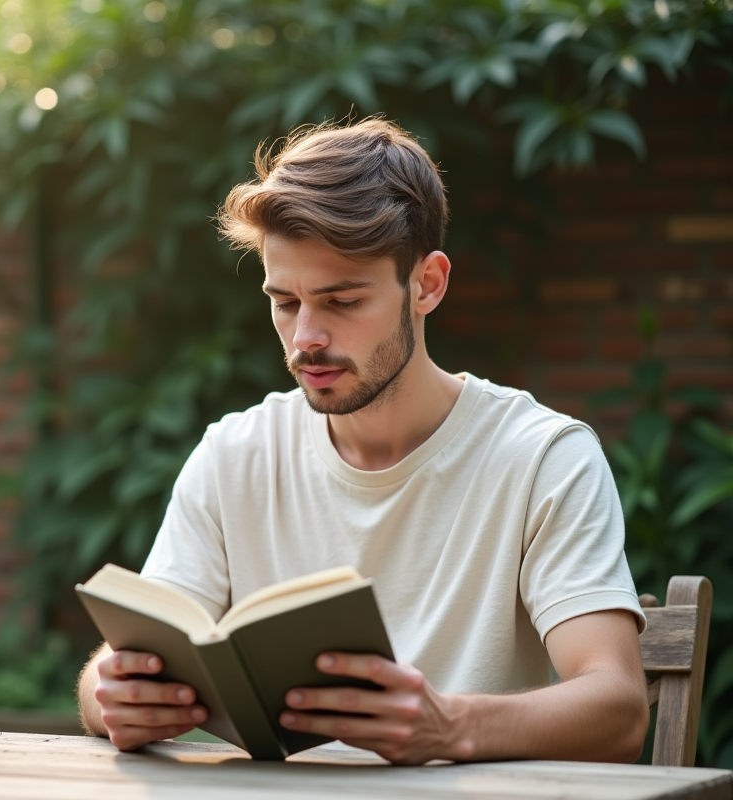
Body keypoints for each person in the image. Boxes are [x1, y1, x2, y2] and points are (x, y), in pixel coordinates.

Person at [75, 118, 649, 765]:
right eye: (285, 301)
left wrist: (449, 726)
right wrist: (111, 696)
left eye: (341, 300)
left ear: (427, 284)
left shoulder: (543, 457)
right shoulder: (234, 453)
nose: (305, 337)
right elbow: (132, 655)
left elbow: (618, 706)